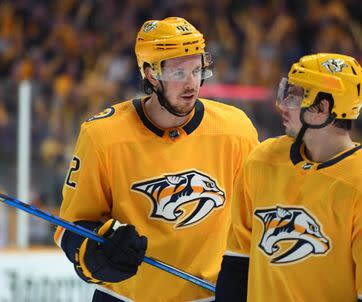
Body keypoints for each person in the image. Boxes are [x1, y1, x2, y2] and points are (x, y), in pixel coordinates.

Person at [54, 17, 258, 302]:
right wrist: (98, 252)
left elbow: (256, 218)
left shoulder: (235, 130)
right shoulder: (103, 135)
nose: (191, 84)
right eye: (178, 74)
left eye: (197, 70)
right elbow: (71, 227)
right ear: (150, 73)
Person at [216, 53, 362, 301]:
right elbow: (238, 262)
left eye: (296, 96)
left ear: (322, 107)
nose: (283, 104)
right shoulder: (262, 160)